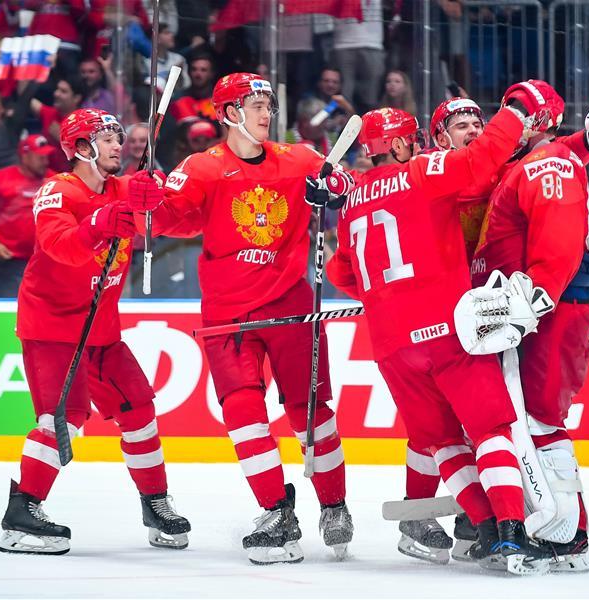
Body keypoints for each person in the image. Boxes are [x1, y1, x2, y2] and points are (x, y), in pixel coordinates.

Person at [326, 90, 557, 576]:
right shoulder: (422, 173)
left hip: (390, 346)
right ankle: (511, 532)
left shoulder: (349, 203)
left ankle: (487, 530)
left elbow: (342, 274)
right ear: (408, 143)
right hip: (446, 332)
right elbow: (481, 158)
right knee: (490, 429)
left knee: (445, 443)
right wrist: (515, 112)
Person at [150, 73, 353, 565]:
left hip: (291, 304)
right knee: (242, 413)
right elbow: (171, 218)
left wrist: (336, 186)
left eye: (268, 104)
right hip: (230, 314)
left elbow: (346, 181)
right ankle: (276, 511)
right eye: (255, 104)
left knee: (312, 412)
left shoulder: (298, 158)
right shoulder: (202, 167)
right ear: (228, 114)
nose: (266, 113)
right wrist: (146, 201)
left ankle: (334, 505)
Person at [0, 108, 191, 555]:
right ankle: (21, 512)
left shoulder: (124, 187)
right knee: (61, 418)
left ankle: (155, 504)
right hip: (53, 326)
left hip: (101, 329)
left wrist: (156, 198)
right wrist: (100, 223)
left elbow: (172, 220)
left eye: (119, 136)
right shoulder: (55, 191)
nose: (118, 144)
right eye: (107, 137)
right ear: (81, 147)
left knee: (139, 407)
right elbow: (60, 247)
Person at [467, 89, 589, 572]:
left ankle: (568, 533)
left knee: (541, 420)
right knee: (526, 418)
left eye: (517, 111)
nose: (505, 120)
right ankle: (554, 524)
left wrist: (534, 299)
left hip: (546, 310)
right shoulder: (541, 158)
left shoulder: (547, 164)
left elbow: (559, 245)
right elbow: (567, 151)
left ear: (537, 119)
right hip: (528, 310)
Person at [0, 134, 55, 297]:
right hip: (11, 261)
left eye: (47, 157)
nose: (46, 162)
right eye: (40, 157)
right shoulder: (0, 180)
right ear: (25, 157)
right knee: (10, 311)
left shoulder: (55, 180)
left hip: (47, 262)